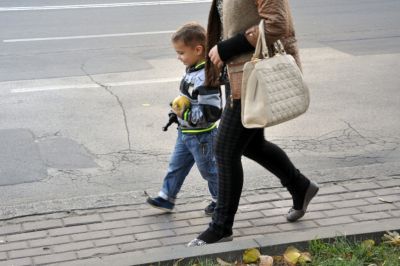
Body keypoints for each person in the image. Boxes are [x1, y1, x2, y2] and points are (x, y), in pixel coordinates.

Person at [187, 0, 319, 246]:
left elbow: (277, 24)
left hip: (252, 74)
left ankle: (221, 227)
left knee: (225, 149)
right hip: (238, 73)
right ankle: (300, 186)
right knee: (251, 144)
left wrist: (227, 48)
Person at [146, 22, 222, 216]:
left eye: (181, 53)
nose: (178, 57)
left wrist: (185, 114)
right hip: (185, 133)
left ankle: (220, 201)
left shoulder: (207, 77)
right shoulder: (192, 70)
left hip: (203, 136)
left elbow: (212, 112)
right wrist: (176, 112)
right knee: (176, 166)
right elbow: (188, 99)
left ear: (198, 50)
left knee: (209, 170)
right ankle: (166, 198)